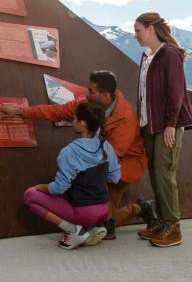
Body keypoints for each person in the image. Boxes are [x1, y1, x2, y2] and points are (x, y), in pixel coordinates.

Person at [0, 70, 152, 239]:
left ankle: (140, 208)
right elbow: (56, 112)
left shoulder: (126, 117)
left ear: (105, 95)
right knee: (97, 214)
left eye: (91, 91)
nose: (86, 94)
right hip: (100, 161)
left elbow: (112, 157)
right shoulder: (86, 104)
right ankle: (98, 222)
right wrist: (22, 112)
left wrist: (77, 164)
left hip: (124, 165)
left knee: (105, 219)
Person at [133, 12, 192, 248]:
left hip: (167, 125)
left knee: (165, 172)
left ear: (150, 29)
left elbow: (176, 92)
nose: (135, 35)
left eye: (138, 30)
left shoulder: (169, 54)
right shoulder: (147, 55)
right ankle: (161, 222)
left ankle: (173, 226)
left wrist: (170, 123)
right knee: (155, 171)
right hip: (150, 125)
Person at [23, 101, 120, 249]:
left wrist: (38, 187)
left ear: (82, 124)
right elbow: (115, 177)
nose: (72, 122)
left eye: (74, 119)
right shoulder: (106, 146)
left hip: (84, 212)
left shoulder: (70, 151)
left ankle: (73, 230)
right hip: (104, 210)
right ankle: (90, 228)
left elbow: (59, 188)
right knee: (70, 192)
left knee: (30, 196)